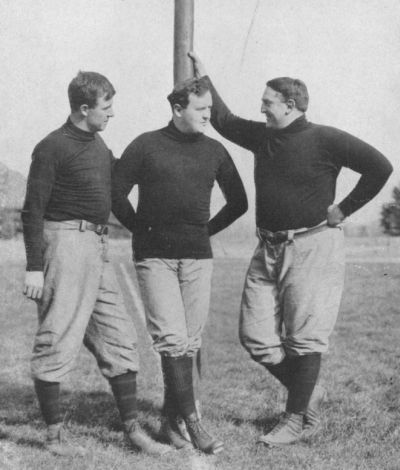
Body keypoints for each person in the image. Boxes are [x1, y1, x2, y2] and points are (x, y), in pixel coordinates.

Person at [189, 53, 393, 447]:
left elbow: (380, 167)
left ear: (290, 104)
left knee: (305, 339)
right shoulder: (263, 136)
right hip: (266, 248)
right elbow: (224, 121)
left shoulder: (327, 138)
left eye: (267, 102)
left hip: (312, 246)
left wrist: (344, 209)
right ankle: (308, 391)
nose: (261, 108)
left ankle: (296, 418)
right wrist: (204, 77)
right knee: (256, 337)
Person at [21, 71, 170, 457]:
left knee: (120, 337)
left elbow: (115, 197)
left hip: (98, 247)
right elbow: (32, 210)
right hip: (64, 245)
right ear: (84, 108)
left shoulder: (100, 147)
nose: (112, 113)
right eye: (107, 107)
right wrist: (34, 266)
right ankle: (53, 436)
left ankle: (132, 430)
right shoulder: (51, 147)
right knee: (57, 337)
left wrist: (143, 229)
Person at [111, 77, 248, 454]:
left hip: (197, 257)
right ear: (177, 109)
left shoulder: (215, 150)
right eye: (201, 109)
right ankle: (193, 422)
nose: (208, 115)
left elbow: (239, 202)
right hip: (154, 256)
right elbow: (115, 192)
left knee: (188, 342)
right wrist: (139, 227)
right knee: (172, 340)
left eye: (210, 109)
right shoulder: (146, 145)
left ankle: (171, 424)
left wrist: (205, 231)